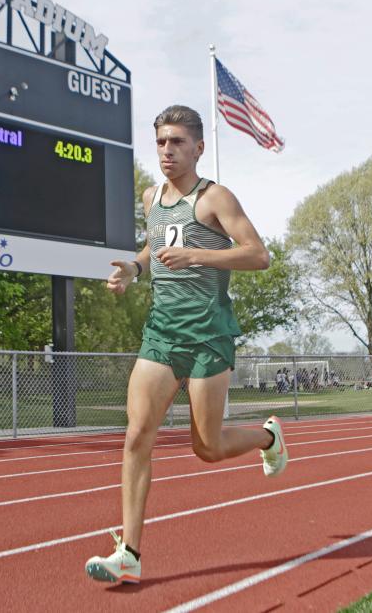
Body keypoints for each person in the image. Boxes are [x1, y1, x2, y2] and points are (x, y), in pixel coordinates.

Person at [84, 105, 287, 585]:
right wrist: (135, 269)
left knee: (208, 447)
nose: (167, 151)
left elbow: (259, 255)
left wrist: (198, 255)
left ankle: (269, 437)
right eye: (160, 142)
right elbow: (155, 246)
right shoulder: (151, 196)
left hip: (208, 336)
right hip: (162, 334)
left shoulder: (214, 198)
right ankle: (129, 553)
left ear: (197, 147)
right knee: (137, 435)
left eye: (176, 142)